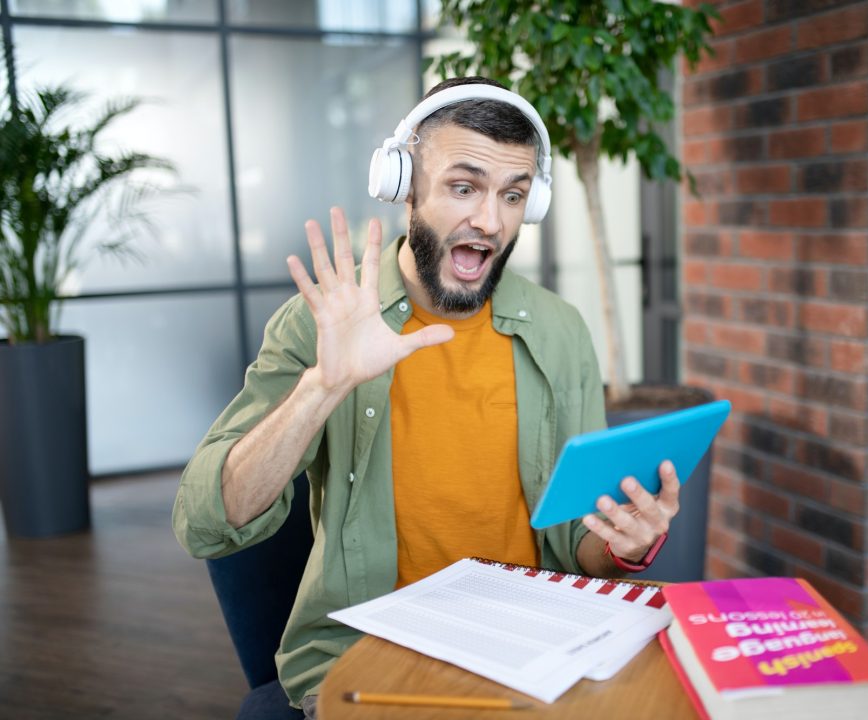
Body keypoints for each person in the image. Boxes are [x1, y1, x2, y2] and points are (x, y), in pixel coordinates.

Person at [173, 76, 682, 718]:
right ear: (402, 184)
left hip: (534, 639)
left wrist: (621, 544)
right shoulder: (323, 323)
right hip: (373, 649)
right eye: (463, 187)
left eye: (513, 195)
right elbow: (204, 523)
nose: (490, 222)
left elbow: (578, 542)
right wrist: (323, 386)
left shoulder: (560, 332)